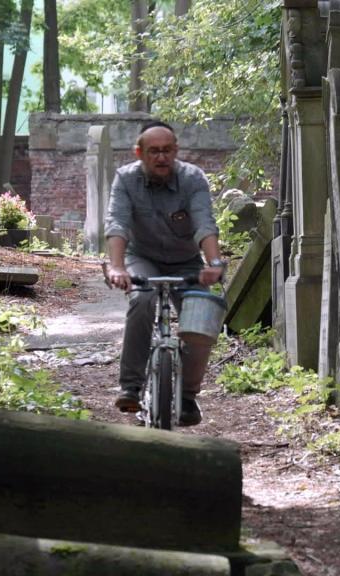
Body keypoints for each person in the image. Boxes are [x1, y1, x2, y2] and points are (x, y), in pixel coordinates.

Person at [104, 121, 225, 426]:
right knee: (141, 300)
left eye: (168, 150)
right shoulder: (126, 179)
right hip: (142, 258)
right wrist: (117, 267)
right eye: (154, 151)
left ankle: (188, 396)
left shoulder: (192, 178)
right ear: (139, 153)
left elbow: (204, 223)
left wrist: (214, 262)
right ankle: (131, 387)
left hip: (186, 261)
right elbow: (117, 223)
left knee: (201, 314)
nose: (162, 157)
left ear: (176, 150)